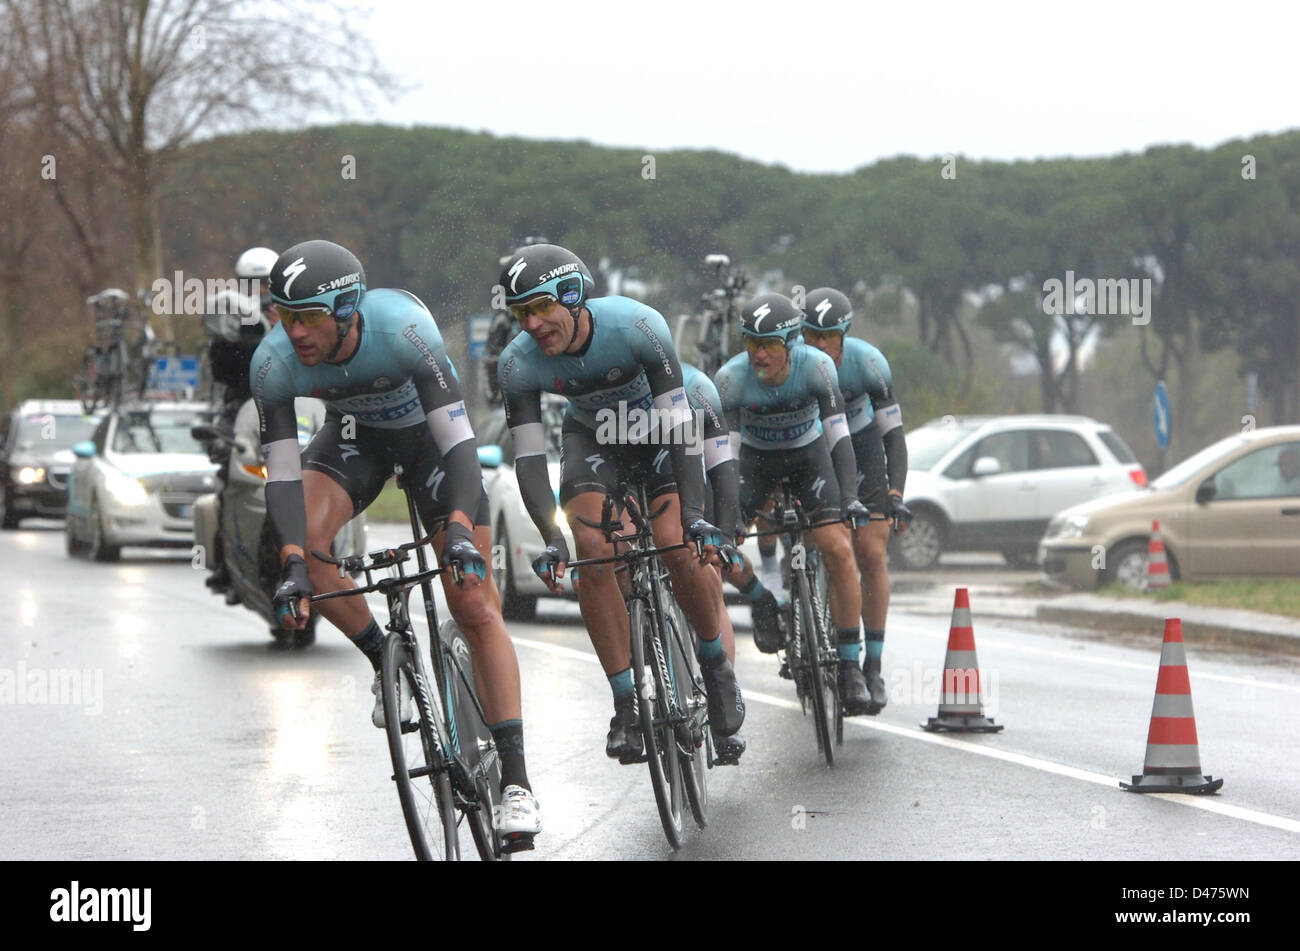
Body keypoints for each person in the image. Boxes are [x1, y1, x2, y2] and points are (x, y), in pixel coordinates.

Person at [251, 239, 540, 848]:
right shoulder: (273, 362)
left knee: (472, 599)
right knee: (301, 545)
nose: (293, 331)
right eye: (283, 314)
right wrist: (294, 564)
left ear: (347, 308)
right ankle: (389, 662)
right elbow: (281, 475)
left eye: (307, 316)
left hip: (429, 441)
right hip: (353, 440)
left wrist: (459, 529)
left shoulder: (404, 329)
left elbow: (460, 446)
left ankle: (517, 783)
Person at [495, 243, 745, 766]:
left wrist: (698, 515)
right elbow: (529, 457)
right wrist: (550, 538)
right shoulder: (517, 362)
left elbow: (680, 428)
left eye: (542, 308)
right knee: (590, 548)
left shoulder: (638, 326)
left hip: (659, 433)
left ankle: (715, 664)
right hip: (594, 437)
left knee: (678, 543)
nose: (533, 324)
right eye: (521, 314)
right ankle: (626, 703)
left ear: (572, 294)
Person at [714, 292, 874, 715]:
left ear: (791, 343)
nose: (759, 354)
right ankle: (761, 597)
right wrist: (727, 521)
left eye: (768, 345)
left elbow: (839, 439)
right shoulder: (730, 380)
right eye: (751, 344)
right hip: (755, 460)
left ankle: (849, 664)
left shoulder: (818, 368)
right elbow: (726, 457)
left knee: (838, 548)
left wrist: (851, 498)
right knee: (718, 553)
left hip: (809, 457)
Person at [800, 287, 911, 714]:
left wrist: (896, 493)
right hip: (814, 448)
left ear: (844, 334)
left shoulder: (869, 365)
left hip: (861, 449)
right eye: (811, 336)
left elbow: (893, 439)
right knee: (820, 540)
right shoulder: (795, 367)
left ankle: (873, 665)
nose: (820, 345)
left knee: (870, 550)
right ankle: (800, 604)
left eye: (829, 337)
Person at [202, 247, 279, 595]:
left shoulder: (295, 315)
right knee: (226, 476)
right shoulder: (230, 323)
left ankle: (340, 550)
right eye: (252, 284)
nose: (259, 291)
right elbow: (221, 372)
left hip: (289, 404)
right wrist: (236, 341)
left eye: (265, 283)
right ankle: (224, 562)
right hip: (242, 409)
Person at [680, 361, 746, 762]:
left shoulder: (697, 390)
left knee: (709, 577)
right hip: (634, 473)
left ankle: (723, 694)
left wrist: (723, 536)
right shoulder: (605, 394)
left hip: (691, 480)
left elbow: (722, 471)